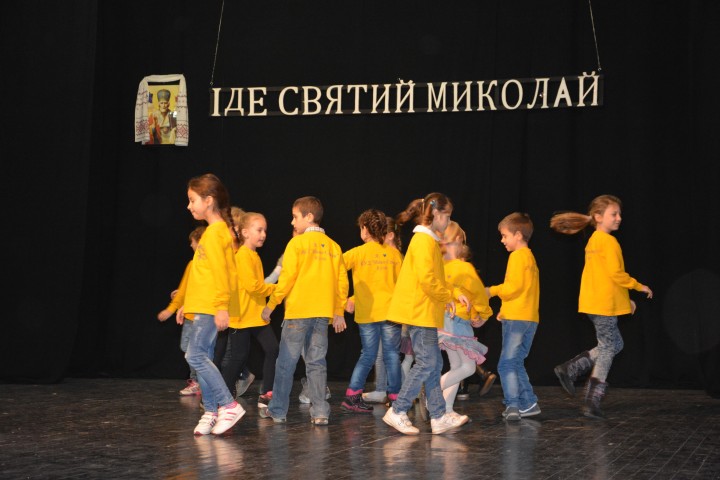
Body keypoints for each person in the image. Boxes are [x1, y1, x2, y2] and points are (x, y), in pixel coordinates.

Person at [550, 195, 653, 418]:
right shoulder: (609, 241)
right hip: (603, 305)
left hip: (594, 303)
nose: (619, 218)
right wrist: (638, 286)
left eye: (619, 214)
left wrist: (625, 301)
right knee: (608, 348)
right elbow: (617, 274)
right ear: (598, 217)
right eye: (613, 214)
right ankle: (591, 401)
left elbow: (604, 278)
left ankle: (570, 369)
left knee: (615, 344)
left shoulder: (594, 241)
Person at [382, 193, 470, 435]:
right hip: (419, 311)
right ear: (438, 215)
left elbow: (436, 277)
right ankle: (398, 410)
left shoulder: (428, 241)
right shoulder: (423, 241)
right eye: (448, 216)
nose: (448, 222)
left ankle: (438, 416)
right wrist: (447, 296)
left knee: (434, 363)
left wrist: (452, 293)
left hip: (425, 311)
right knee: (427, 362)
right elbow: (426, 278)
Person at [259, 196, 348, 425]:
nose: (292, 222)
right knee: (317, 363)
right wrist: (338, 311)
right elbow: (342, 283)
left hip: (298, 313)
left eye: (295, 217)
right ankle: (320, 412)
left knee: (285, 363)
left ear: (309, 217)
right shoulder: (334, 247)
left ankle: (277, 410)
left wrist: (271, 305)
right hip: (322, 315)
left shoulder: (296, 244)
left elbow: (286, 279)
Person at [178, 173, 245, 435]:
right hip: (202, 305)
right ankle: (211, 410)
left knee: (194, 355)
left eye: (192, 200)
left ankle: (228, 405)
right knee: (202, 357)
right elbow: (203, 275)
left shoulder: (216, 233)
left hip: (210, 306)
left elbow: (222, 273)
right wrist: (186, 304)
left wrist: (221, 306)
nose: (189, 206)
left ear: (208, 200)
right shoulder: (212, 233)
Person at [340, 209, 403, 413]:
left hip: (367, 315)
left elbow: (335, 268)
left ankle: (352, 396)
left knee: (368, 354)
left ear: (365, 230)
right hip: (391, 313)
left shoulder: (357, 253)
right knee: (392, 355)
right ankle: (395, 399)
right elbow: (403, 285)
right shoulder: (394, 255)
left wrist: (343, 299)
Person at [486, 212, 541, 422]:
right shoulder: (530, 257)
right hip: (528, 318)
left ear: (518, 235)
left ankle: (513, 405)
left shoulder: (517, 256)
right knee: (516, 362)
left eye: (505, 236)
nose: (502, 240)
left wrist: (491, 291)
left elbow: (513, 287)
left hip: (517, 319)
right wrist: (505, 310)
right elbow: (525, 290)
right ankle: (529, 403)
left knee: (506, 364)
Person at [437, 221, 492, 422]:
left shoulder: (440, 267)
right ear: (460, 240)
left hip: (442, 320)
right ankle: (433, 390)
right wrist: (484, 314)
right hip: (458, 322)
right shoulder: (464, 267)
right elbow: (479, 294)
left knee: (457, 367)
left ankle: (447, 410)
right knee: (468, 368)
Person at [223, 212, 280, 407]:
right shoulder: (243, 256)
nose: (263, 234)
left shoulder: (254, 255)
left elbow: (256, 288)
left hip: (255, 315)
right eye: (259, 230)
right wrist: (276, 289)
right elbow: (253, 287)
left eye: (265, 230)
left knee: (272, 348)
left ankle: (267, 393)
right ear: (245, 232)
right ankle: (223, 395)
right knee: (238, 357)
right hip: (241, 317)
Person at [157, 226, 206, 396]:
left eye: (192, 242)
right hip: (190, 315)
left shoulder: (208, 266)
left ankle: (199, 381)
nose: (191, 245)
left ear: (200, 242)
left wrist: (174, 309)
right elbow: (184, 290)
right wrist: (171, 309)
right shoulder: (192, 265)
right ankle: (198, 380)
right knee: (187, 347)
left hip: (203, 314)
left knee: (198, 350)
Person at [363, 216, 404, 404]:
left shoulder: (395, 256)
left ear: (390, 235)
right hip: (382, 311)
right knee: (382, 354)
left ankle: (399, 390)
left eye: (380, 234)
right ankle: (382, 389)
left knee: (389, 354)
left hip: (392, 312)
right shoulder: (384, 255)